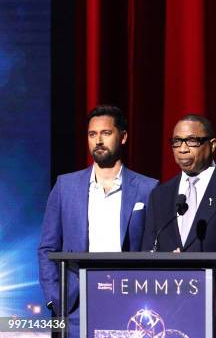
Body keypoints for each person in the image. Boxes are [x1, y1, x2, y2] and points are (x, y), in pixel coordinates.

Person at [38, 105, 158, 337]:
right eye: (92, 134)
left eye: (106, 133)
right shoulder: (65, 186)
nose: (98, 141)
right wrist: (55, 300)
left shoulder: (148, 188)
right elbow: (47, 248)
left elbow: (154, 248)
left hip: (130, 301)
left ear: (123, 137)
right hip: (75, 304)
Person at [142, 114, 216, 268]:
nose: (183, 149)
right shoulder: (159, 195)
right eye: (177, 142)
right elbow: (148, 252)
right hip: (168, 288)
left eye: (192, 141)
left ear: (212, 145)